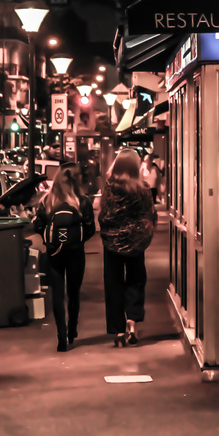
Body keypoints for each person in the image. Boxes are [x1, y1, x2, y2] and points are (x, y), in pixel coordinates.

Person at [99, 147, 157, 347]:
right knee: (136, 279)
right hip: (136, 243)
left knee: (113, 284)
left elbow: (103, 214)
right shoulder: (144, 189)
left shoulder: (109, 188)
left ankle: (118, 330)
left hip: (112, 243)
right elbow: (150, 214)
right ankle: (132, 322)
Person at [34, 163, 95, 352]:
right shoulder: (82, 201)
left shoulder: (47, 201)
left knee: (57, 295)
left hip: (54, 254)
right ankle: (72, 330)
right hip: (76, 253)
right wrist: (78, 238)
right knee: (74, 292)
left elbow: (38, 225)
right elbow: (91, 228)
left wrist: (50, 239)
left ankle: (61, 336)